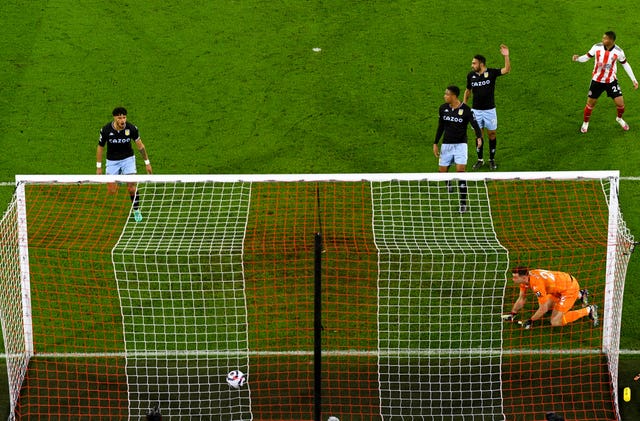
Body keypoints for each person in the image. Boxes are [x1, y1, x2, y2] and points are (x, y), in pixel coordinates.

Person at [572, 31, 639, 133]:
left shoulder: (618, 51)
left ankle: (619, 119)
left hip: (611, 81)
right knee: (590, 104)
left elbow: (625, 64)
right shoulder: (596, 47)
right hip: (597, 81)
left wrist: (634, 79)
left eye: (605, 38)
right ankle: (585, 123)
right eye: (603, 38)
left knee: (621, 104)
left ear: (611, 41)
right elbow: (587, 57)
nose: (602, 40)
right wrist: (577, 59)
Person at [96, 107, 152, 222]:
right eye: (120, 118)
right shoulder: (105, 130)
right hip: (112, 161)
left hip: (128, 159)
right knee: (112, 191)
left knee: (131, 188)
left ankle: (136, 210)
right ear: (114, 118)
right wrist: (98, 166)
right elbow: (100, 147)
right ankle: (121, 176)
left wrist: (147, 163)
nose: (122, 120)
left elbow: (140, 146)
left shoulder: (131, 128)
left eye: (124, 117)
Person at [433, 85, 483, 213]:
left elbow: (474, 124)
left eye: (447, 94)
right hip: (446, 145)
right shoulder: (443, 108)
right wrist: (435, 143)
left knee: (461, 173)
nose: (445, 96)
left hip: (461, 145)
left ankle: (463, 203)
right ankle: (448, 182)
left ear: (453, 96)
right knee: (442, 172)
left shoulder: (466, 110)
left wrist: (479, 137)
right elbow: (440, 127)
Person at [501, 267, 598, 328]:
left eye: (515, 277)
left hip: (569, 289)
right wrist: (512, 313)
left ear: (523, 277)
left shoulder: (536, 285)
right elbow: (521, 298)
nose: (513, 279)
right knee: (548, 305)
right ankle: (581, 294)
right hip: (562, 284)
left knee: (555, 321)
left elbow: (543, 309)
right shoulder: (526, 279)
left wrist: (531, 320)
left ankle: (589, 310)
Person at [464, 44, 511, 171]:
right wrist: (464, 105)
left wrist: (506, 56)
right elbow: (468, 90)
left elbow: (506, 70)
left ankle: (491, 159)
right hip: (476, 111)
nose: (472, 65)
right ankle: (480, 159)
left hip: (490, 110)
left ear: (481, 64)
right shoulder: (471, 76)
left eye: (474, 63)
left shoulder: (491, 73)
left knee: (492, 134)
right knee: (479, 135)